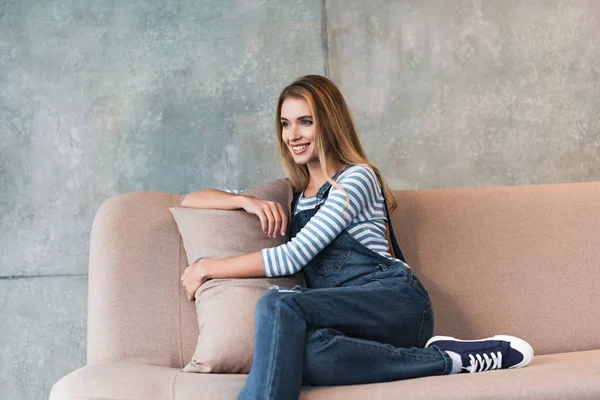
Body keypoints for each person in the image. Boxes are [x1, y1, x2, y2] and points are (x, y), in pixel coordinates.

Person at [180, 75, 534, 399]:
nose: (293, 135)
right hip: (348, 324)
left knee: (279, 303)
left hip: (395, 304)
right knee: (307, 354)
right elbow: (191, 199)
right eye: (286, 124)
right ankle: (445, 359)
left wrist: (209, 268)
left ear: (329, 124)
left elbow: (293, 258)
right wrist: (243, 200)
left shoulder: (357, 178)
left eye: (306, 122)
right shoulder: (293, 193)